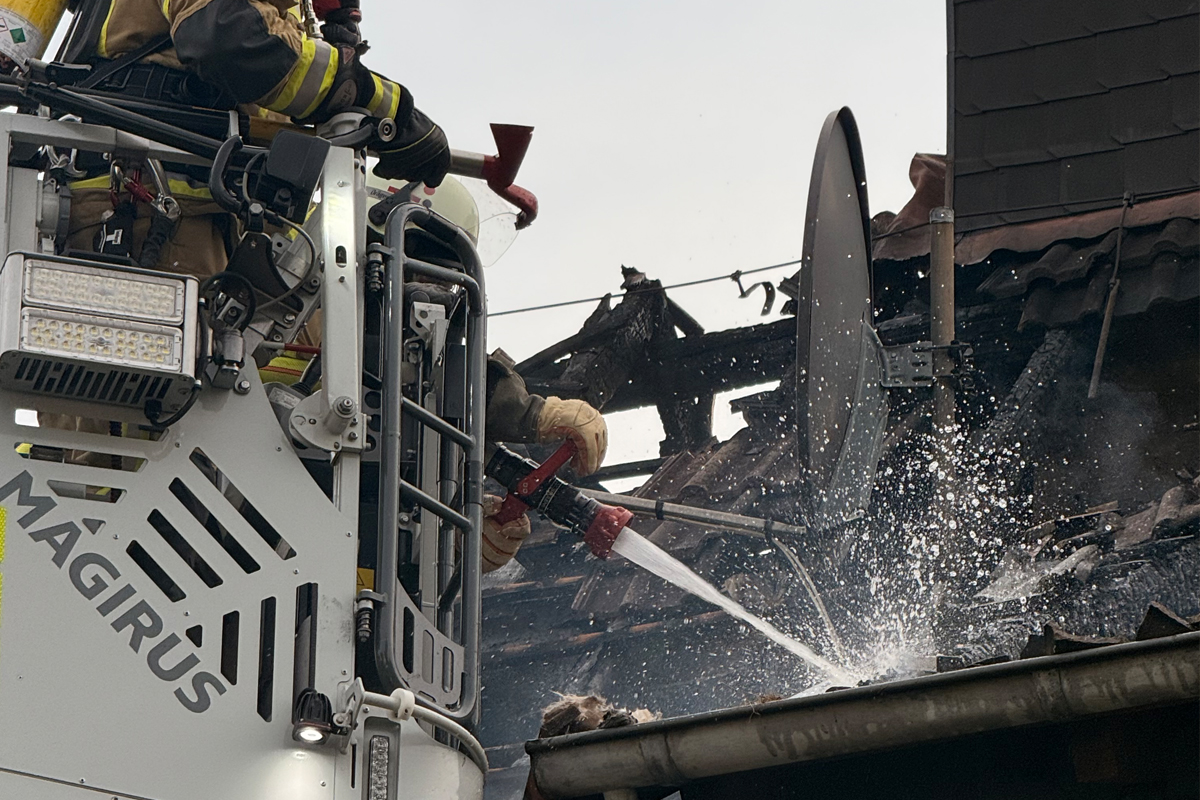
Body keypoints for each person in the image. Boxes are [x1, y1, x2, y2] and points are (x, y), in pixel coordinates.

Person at [50, 0, 609, 569]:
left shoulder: (299, 308)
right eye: (413, 265)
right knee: (139, 458)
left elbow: (324, 481)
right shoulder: (301, 304)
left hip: (189, 218)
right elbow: (232, 39)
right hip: (152, 213)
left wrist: (447, 537)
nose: (424, 294)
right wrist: (386, 108)